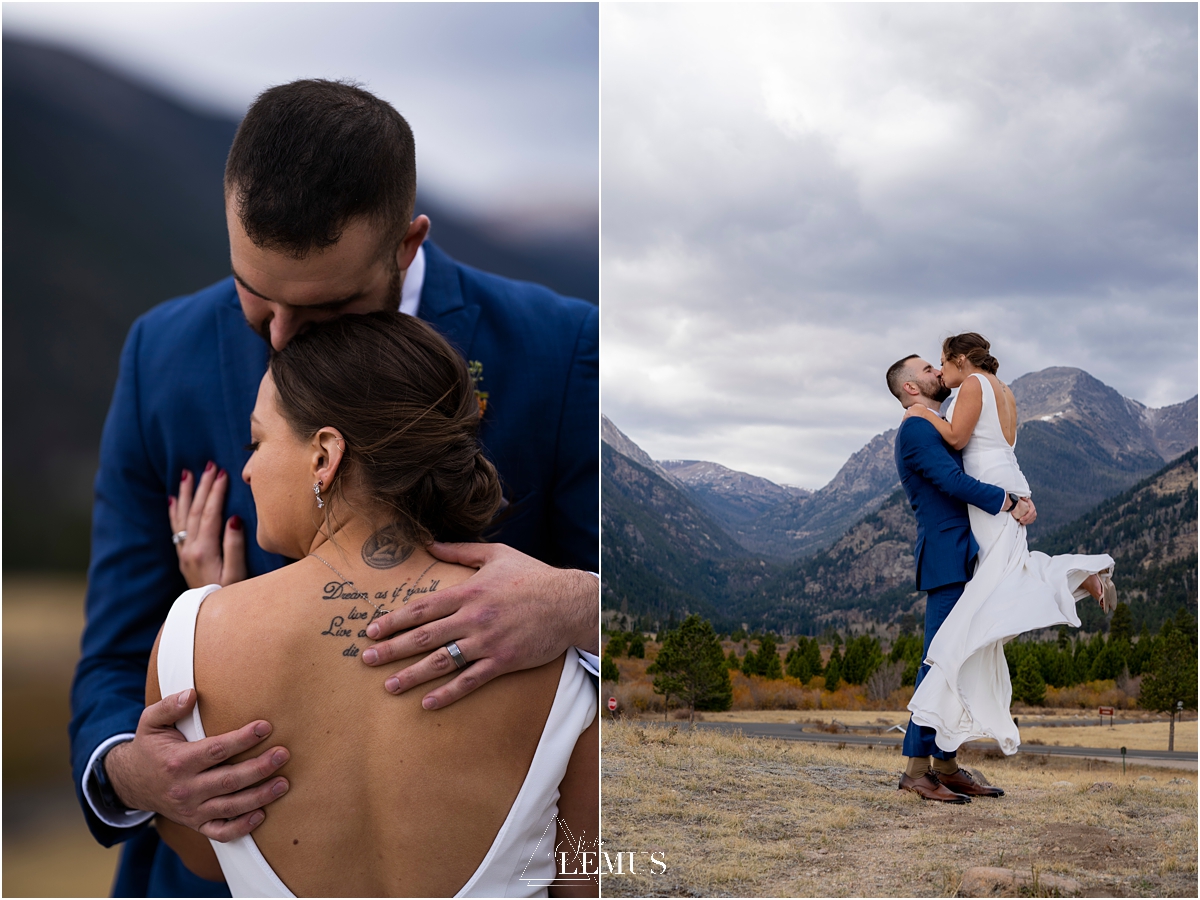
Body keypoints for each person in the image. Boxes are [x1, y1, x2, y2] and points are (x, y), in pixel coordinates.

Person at [70, 79, 599, 897]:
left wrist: (578, 604)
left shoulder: (560, 349)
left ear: (406, 244)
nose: (278, 336)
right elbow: (113, 646)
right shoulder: (159, 356)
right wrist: (132, 773)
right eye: (255, 290)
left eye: (324, 307)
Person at [150, 311, 597, 897]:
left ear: (324, 456)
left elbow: (204, 858)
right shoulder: (552, 651)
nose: (249, 470)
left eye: (256, 440)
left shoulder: (191, 638)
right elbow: (584, 883)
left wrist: (209, 611)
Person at [901, 334, 1115, 758]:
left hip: (993, 494)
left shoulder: (969, 389)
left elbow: (958, 449)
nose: (940, 372)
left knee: (983, 603)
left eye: (940, 363)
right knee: (1006, 574)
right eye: (930, 370)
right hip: (1007, 482)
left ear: (960, 360)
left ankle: (925, 764)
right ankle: (1076, 576)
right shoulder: (1006, 391)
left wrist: (923, 414)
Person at [886, 352, 1034, 803]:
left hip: (967, 553)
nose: (937, 371)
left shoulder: (938, 424)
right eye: (928, 369)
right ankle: (916, 769)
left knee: (963, 657)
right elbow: (952, 482)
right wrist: (1008, 501)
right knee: (940, 658)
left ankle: (946, 766)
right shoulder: (916, 428)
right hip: (948, 556)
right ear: (911, 387)